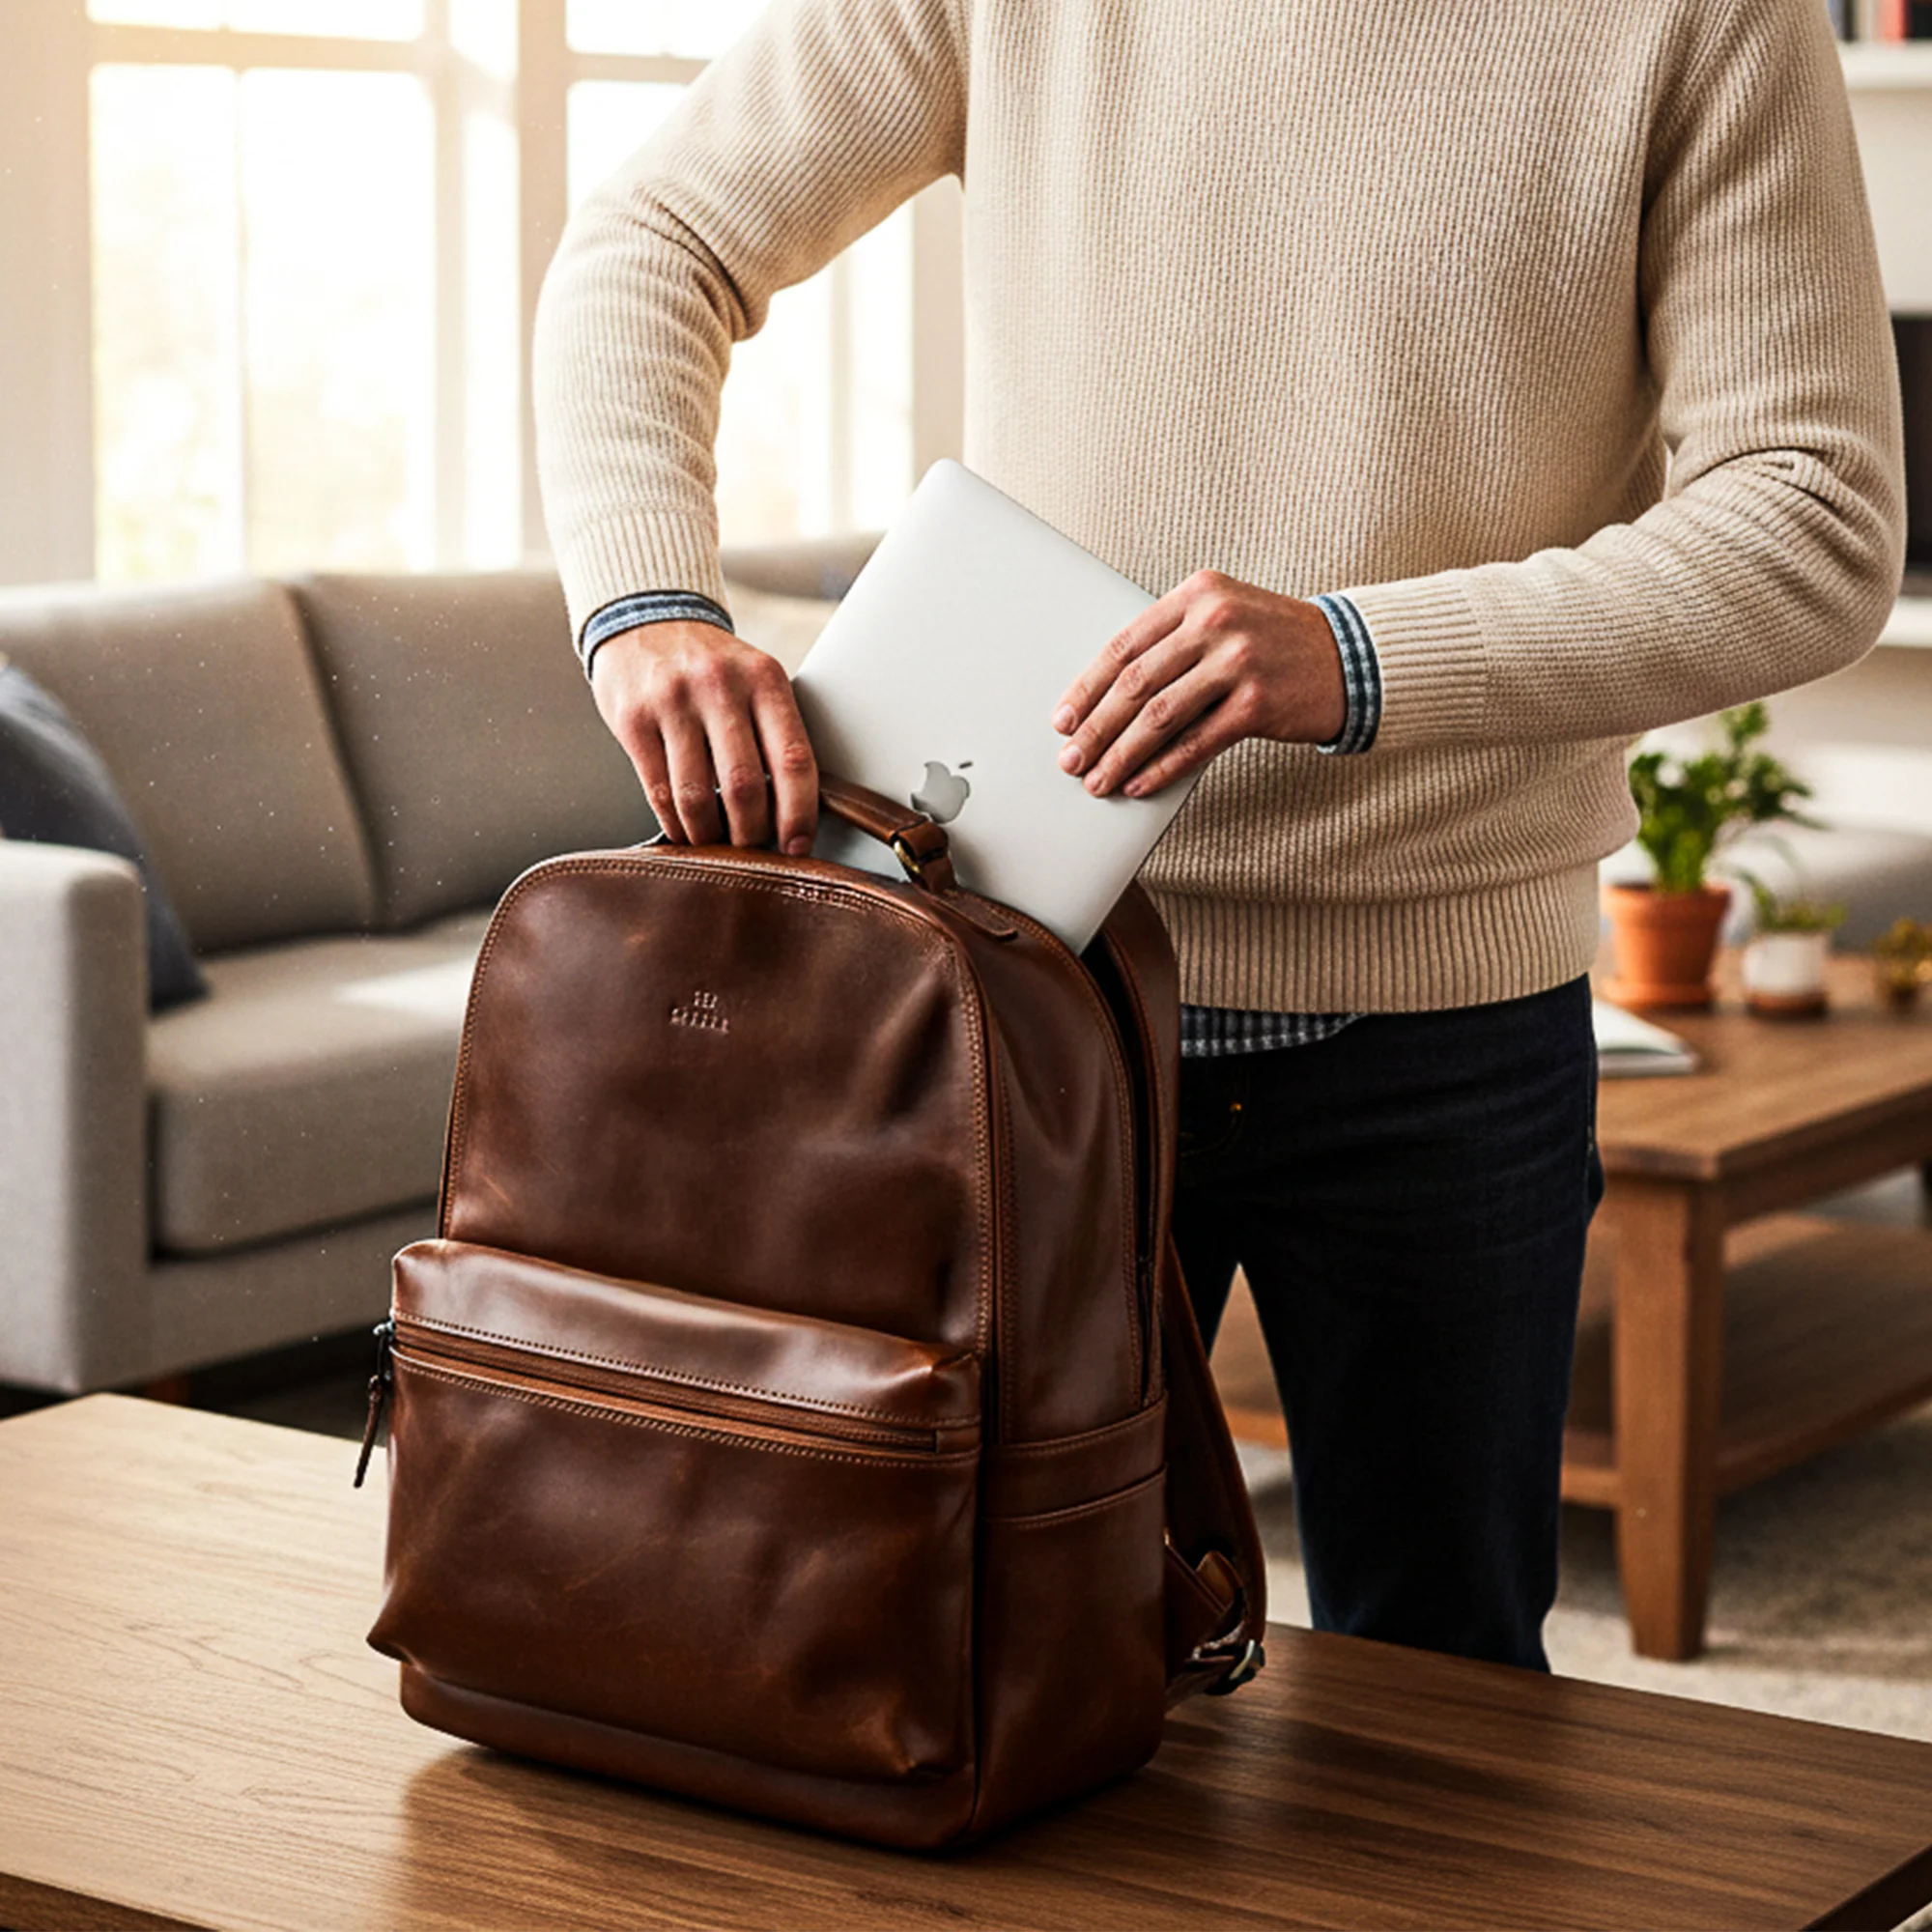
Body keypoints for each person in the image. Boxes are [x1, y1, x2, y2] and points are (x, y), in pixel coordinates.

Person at [532, 0, 1905, 1671]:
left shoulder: (1709, 21)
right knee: (948, 1652)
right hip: (1017, 996)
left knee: (1448, 1700)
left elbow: (1816, 514)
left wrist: (1355, 656)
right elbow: (652, 237)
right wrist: (647, 603)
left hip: (1447, 1029)